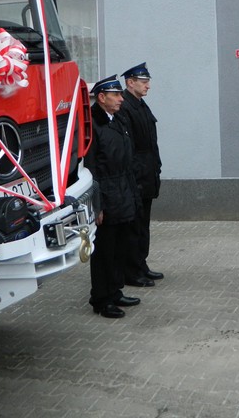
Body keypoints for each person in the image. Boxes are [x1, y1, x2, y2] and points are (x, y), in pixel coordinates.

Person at [85, 75, 143, 318]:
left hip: (123, 191)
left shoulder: (117, 119)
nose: (121, 99)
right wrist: (96, 205)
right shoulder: (93, 125)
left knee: (120, 247)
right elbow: (91, 169)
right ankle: (101, 298)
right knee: (104, 251)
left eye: (120, 94)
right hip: (107, 195)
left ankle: (115, 291)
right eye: (116, 95)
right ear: (101, 97)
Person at [117, 62, 164, 287]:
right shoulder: (125, 107)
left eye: (147, 81)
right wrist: (135, 175)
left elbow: (150, 143)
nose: (148, 86)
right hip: (137, 177)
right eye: (144, 82)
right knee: (133, 227)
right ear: (130, 82)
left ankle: (141, 265)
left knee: (143, 225)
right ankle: (131, 271)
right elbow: (129, 148)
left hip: (147, 174)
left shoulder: (140, 105)